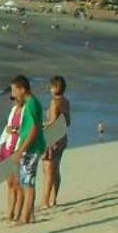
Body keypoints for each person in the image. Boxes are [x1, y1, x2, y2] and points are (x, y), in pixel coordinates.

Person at [3, 74, 46, 225]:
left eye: (14, 91)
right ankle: (29, 215)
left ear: (22, 89)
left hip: (32, 148)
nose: (13, 95)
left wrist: (21, 150)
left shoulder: (32, 103)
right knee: (25, 181)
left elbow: (34, 129)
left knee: (27, 184)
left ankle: (25, 217)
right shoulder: (30, 104)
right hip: (29, 147)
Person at [41, 76, 71, 209]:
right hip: (62, 136)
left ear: (54, 88)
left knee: (48, 170)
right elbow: (68, 121)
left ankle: (45, 200)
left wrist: (41, 124)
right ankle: (53, 199)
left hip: (52, 137)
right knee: (55, 169)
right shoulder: (66, 101)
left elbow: (52, 122)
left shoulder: (55, 102)